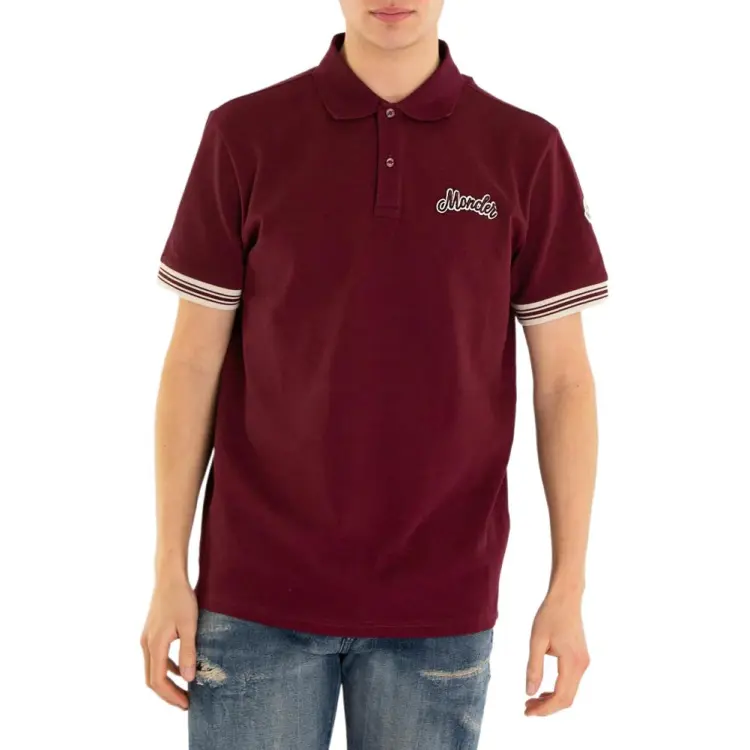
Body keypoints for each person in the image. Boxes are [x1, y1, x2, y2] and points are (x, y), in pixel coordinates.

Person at [140, 1, 608, 747]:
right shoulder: (244, 134)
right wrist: (168, 567)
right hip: (254, 595)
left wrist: (568, 585)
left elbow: (565, 384)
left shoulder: (525, 150)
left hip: (442, 604)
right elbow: (193, 361)